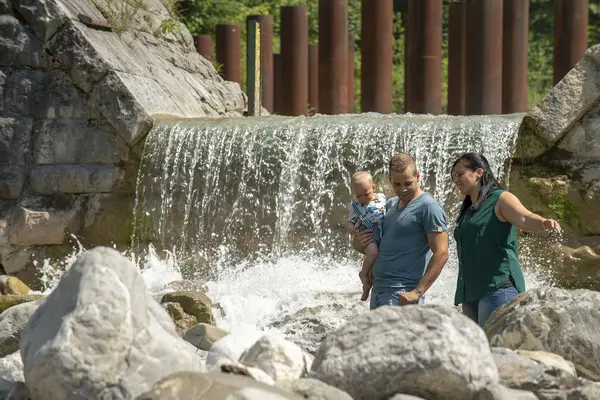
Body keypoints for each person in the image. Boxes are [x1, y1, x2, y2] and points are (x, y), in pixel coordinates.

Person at [450, 152, 561, 327]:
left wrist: (542, 222)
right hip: (470, 292)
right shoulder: (469, 209)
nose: (455, 179)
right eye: (453, 175)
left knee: (497, 349)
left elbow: (524, 218)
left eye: (460, 173)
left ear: (479, 172)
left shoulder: (500, 198)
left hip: (498, 288)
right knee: (476, 350)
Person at [353, 154, 449, 309]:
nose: (403, 189)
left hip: (402, 293)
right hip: (379, 290)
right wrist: (358, 243)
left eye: (408, 183)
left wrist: (417, 292)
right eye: (397, 184)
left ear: (417, 176)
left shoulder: (429, 207)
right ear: (390, 180)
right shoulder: (389, 205)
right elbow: (381, 245)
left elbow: (442, 253)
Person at [347, 171, 387, 302]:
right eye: (359, 196)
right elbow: (350, 221)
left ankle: (366, 288)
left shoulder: (382, 197)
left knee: (375, 264)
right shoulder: (356, 207)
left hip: (381, 231)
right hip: (368, 233)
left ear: (374, 188)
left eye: (367, 194)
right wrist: (351, 228)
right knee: (373, 253)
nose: (363, 198)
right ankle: (363, 273)